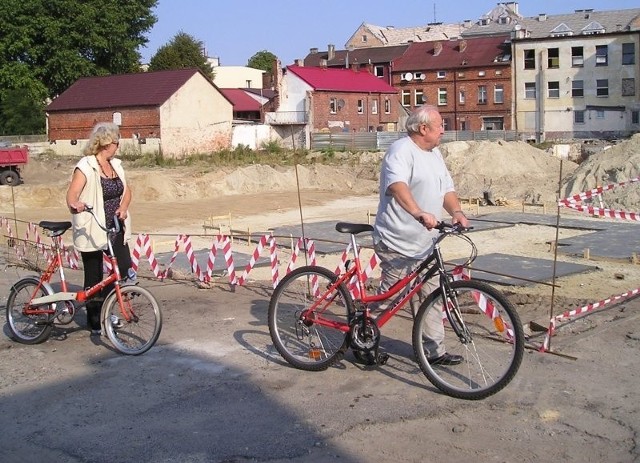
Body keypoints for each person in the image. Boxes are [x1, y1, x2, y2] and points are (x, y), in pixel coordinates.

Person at [373, 105, 470, 365]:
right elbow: (396, 185)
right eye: (440, 125)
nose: (443, 130)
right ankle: (362, 335)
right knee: (390, 297)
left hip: (426, 243)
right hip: (397, 240)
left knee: (432, 296)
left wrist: (457, 211)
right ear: (423, 128)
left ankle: (433, 353)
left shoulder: (434, 154)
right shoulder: (401, 151)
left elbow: (446, 188)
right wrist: (418, 212)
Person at [66, 122, 133, 335]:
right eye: (116, 142)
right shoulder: (85, 166)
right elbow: (71, 194)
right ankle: (95, 319)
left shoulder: (116, 165)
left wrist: (123, 207)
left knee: (122, 267)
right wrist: (75, 204)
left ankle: (103, 305)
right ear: (105, 143)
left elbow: (128, 190)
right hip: (93, 225)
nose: (118, 146)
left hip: (115, 225)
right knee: (93, 275)